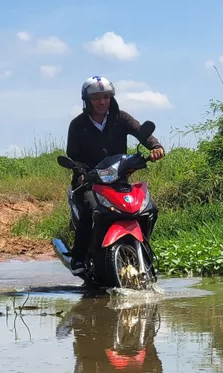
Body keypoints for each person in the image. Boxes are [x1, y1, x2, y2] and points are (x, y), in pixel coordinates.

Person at [65, 75, 165, 275]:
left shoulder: (121, 117)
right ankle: (78, 258)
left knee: (150, 208)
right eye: (96, 97)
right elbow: (72, 154)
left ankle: (143, 246)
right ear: (87, 100)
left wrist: (155, 146)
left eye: (106, 96)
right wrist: (82, 172)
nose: (102, 101)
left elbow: (141, 133)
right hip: (89, 181)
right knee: (87, 212)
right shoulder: (78, 124)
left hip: (118, 177)